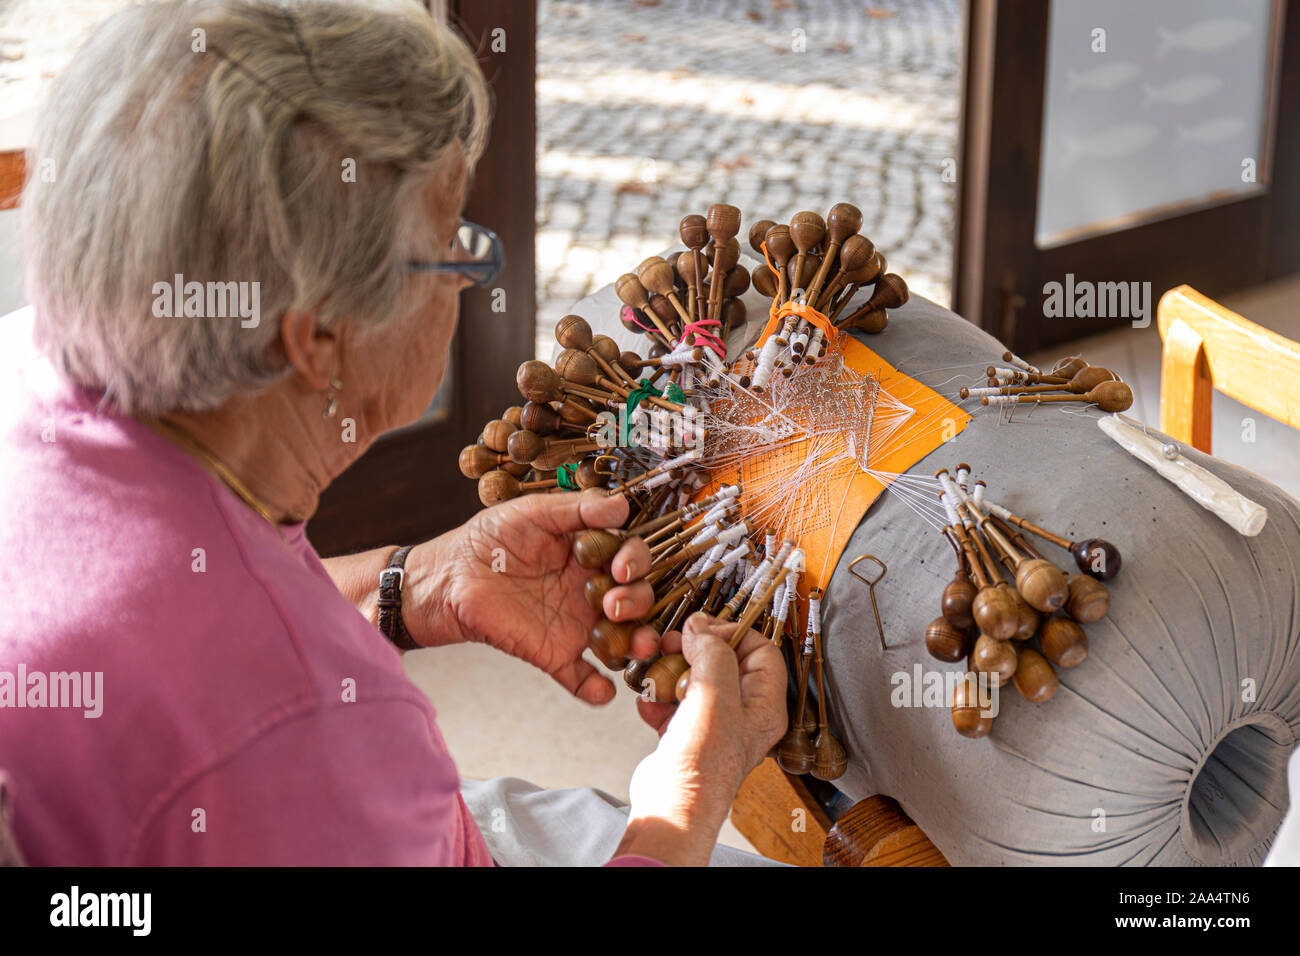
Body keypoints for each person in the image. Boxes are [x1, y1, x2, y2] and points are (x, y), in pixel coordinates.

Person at [0, 0, 786, 866]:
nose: (468, 273)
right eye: (453, 242)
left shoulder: (30, 362)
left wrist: (414, 587)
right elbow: (258, 709)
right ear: (317, 340)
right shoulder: (329, 740)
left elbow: (200, 642)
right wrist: (688, 793)